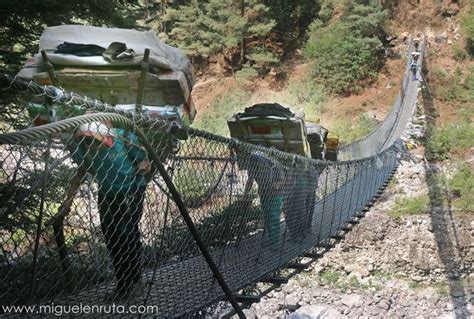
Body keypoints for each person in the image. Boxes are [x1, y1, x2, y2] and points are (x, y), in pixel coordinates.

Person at [73, 121, 151, 299]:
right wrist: (68, 200)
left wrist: (142, 167)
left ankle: (135, 282)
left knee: (127, 234)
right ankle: (124, 284)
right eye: (88, 140)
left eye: (94, 139)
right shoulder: (84, 146)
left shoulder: (125, 139)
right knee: (111, 237)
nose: (92, 144)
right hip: (107, 194)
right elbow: (82, 168)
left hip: (131, 191)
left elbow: (145, 163)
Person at [242, 151, 287, 249]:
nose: (257, 165)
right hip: (263, 193)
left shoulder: (274, 165)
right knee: (267, 215)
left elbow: (283, 179)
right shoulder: (253, 166)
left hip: (276, 194)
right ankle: (272, 239)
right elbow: (250, 180)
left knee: (273, 217)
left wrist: (277, 185)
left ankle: (275, 243)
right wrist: (245, 193)